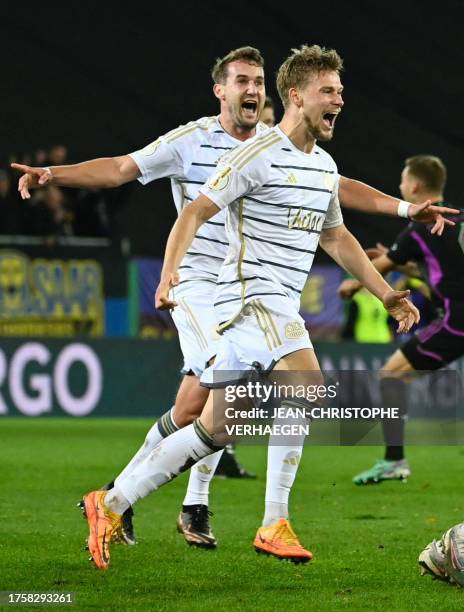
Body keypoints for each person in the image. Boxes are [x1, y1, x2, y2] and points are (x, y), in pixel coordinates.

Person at [12, 50, 456, 555]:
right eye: (329, 90)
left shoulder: (322, 164)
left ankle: (113, 500)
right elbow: (193, 210)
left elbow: (336, 237)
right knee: (307, 385)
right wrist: (169, 271)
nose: (340, 99)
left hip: (270, 302)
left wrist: (385, 293)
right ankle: (271, 522)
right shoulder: (251, 154)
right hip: (249, 295)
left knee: (216, 423)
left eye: (340, 90)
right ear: (296, 96)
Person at [337, 154, 464, 582]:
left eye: (403, 180)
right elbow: (443, 272)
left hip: (458, 321)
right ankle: (394, 458)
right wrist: (405, 262)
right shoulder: (456, 220)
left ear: (413, 189)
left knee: (391, 374)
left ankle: (394, 459)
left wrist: (357, 281)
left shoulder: (418, 226)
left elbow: (384, 267)